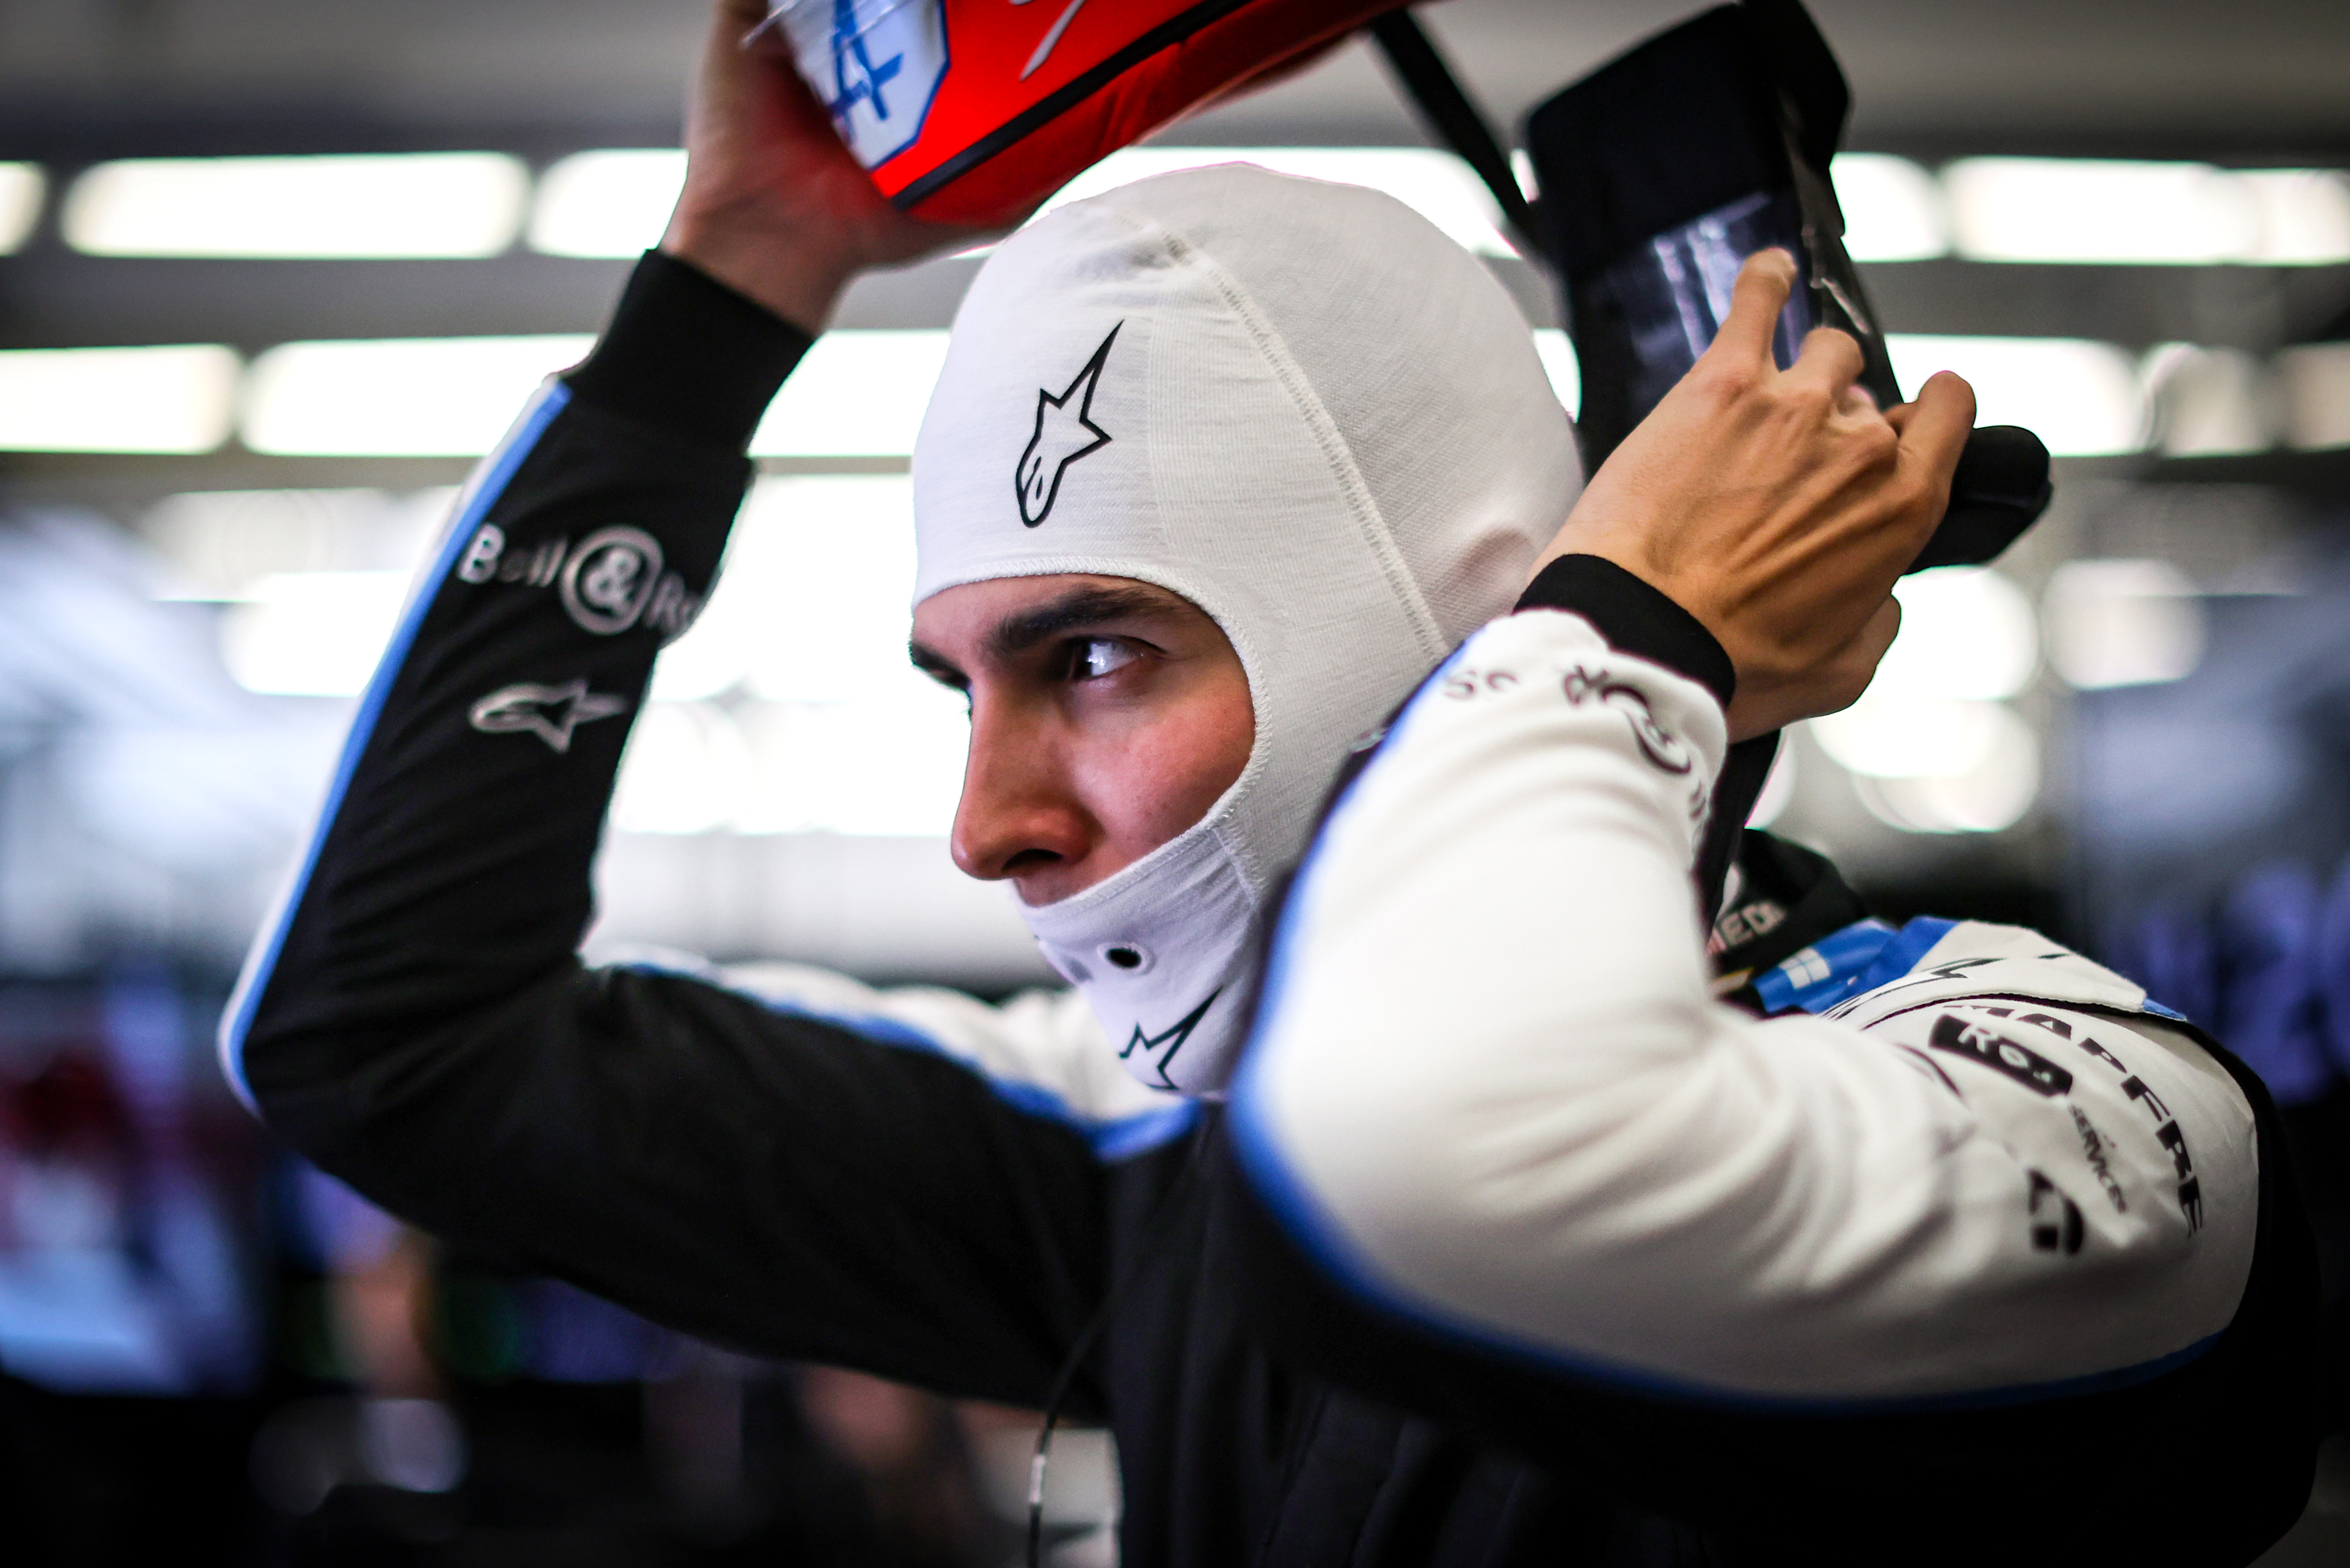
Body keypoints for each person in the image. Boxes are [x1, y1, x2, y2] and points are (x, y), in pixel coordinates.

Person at [221, 1, 2318, 1562]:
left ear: (1493, 623)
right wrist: (728, 290)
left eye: (1095, 655)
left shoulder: (2065, 1099)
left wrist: (1628, 626)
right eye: (964, 685)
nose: (988, 823)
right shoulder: (1139, 1154)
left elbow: (1456, 1157)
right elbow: (387, 1044)